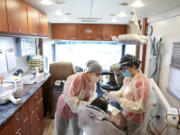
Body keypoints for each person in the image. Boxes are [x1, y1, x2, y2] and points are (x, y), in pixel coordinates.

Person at [103, 54, 152, 135]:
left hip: (137, 119)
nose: (123, 71)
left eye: (125, 69)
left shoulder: (142, 83)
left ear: (133, 67)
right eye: (122, 69)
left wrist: (120, 100)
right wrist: (111, 95)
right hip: (127, 113)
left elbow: (140, 107)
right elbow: (122, 91)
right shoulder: (128, 78)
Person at [55, 60, 102, 135]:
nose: (98, 77)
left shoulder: (93, 83)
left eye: (100, 74)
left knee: (77, 129)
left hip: (79, 109)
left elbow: (90, 97)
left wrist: (87, 105)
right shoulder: (76, 79)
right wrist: (83, 104)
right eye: (97, 74)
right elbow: (70, 98)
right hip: (66, 106)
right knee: (62, 130)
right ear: (89, 72)